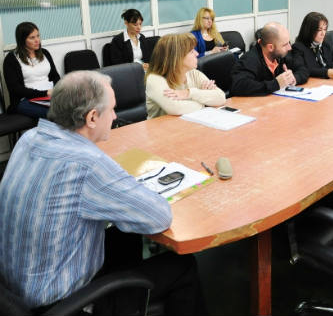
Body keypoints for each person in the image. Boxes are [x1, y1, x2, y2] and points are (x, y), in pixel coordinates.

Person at [0, 71, 205, 314]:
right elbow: (159, 216)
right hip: (60, 305)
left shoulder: (29, 138)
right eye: (112, 109)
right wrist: (127, 185)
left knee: (125, 234)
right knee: (182, 266)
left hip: (15, 289)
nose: (115, 116)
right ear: (92, 117)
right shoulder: (88, 164)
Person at [145, 33, 226, 118]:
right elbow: (176, 108)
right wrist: (204, 101)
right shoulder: (155, 79)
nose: (197, 54)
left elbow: (221, 97)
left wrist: (188, 93)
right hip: (162, 126)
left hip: (189, 122)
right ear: (176, 57)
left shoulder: (193, 73)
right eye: (191, 51)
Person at [231, 22, 309, 96]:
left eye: (289, 42)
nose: (289, 47)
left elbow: (303, 69)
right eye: (285, 44)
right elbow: (238, 86)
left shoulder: (281, 54)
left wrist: (294, 78)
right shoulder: (249, 60)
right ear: (270, 47)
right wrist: (276, 84)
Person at [2, 22, 60, 119]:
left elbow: (55, 76)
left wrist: (58, 90)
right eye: (32, 38)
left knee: (78, 106)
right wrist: (45, 93)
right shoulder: (11, 59)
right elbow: (15, 89)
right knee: (57, 113)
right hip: (25, 99)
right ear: (22, 40)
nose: (37, 40)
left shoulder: (45, 53)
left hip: (50, 95)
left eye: (38, 36)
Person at [292, 12, 333, 80]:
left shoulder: (324, 44)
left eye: (324, 29)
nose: (323, 33)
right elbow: (305, 69)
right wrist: (327, 73)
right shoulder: (298, 48)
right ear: (309, 30)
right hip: (314, 83)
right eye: (319, 30)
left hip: (329, 82)